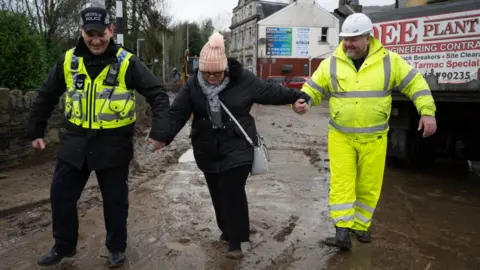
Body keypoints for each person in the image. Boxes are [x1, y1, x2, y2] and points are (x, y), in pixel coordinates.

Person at [26, 4, 170, 268]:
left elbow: (158, 95)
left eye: (100, 33)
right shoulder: (69, 61)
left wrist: (160, 132)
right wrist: (35, 130)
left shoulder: (127, 62)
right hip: (76, 141)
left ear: (111, 30)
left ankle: (116, 248)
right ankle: (63, 247)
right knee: (61, 195)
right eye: (89, 33)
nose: (95, 40)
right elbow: (46, 96)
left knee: (115, 201)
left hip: (113, 144)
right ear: (81, 31)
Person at [294, 13, 437, 250]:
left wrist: (427, 111)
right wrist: (303, 102)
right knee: (342, 182)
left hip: (375, 137)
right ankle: (342, 230)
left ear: (368, 37)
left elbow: (416, 83)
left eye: (354, 39)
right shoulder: (331, 63)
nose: (348, 43)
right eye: (345, 38)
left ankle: (361, 226)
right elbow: (312, 89)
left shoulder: (389, 61)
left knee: (369, 184)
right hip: (341, 137)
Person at [165, 32, 310, 259]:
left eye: (217, 72)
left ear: (225, 67)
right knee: (216, 192)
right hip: (207, 149)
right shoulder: (193, 85)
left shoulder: (243, 79)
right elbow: (177, 114)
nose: (212, 77)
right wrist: (160, 136)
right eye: (207, 73)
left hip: (238, 146)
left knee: (231, 189)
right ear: (200, 69)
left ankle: (236, 242)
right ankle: (227, 230)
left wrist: (299, 96)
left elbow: (271, 91)